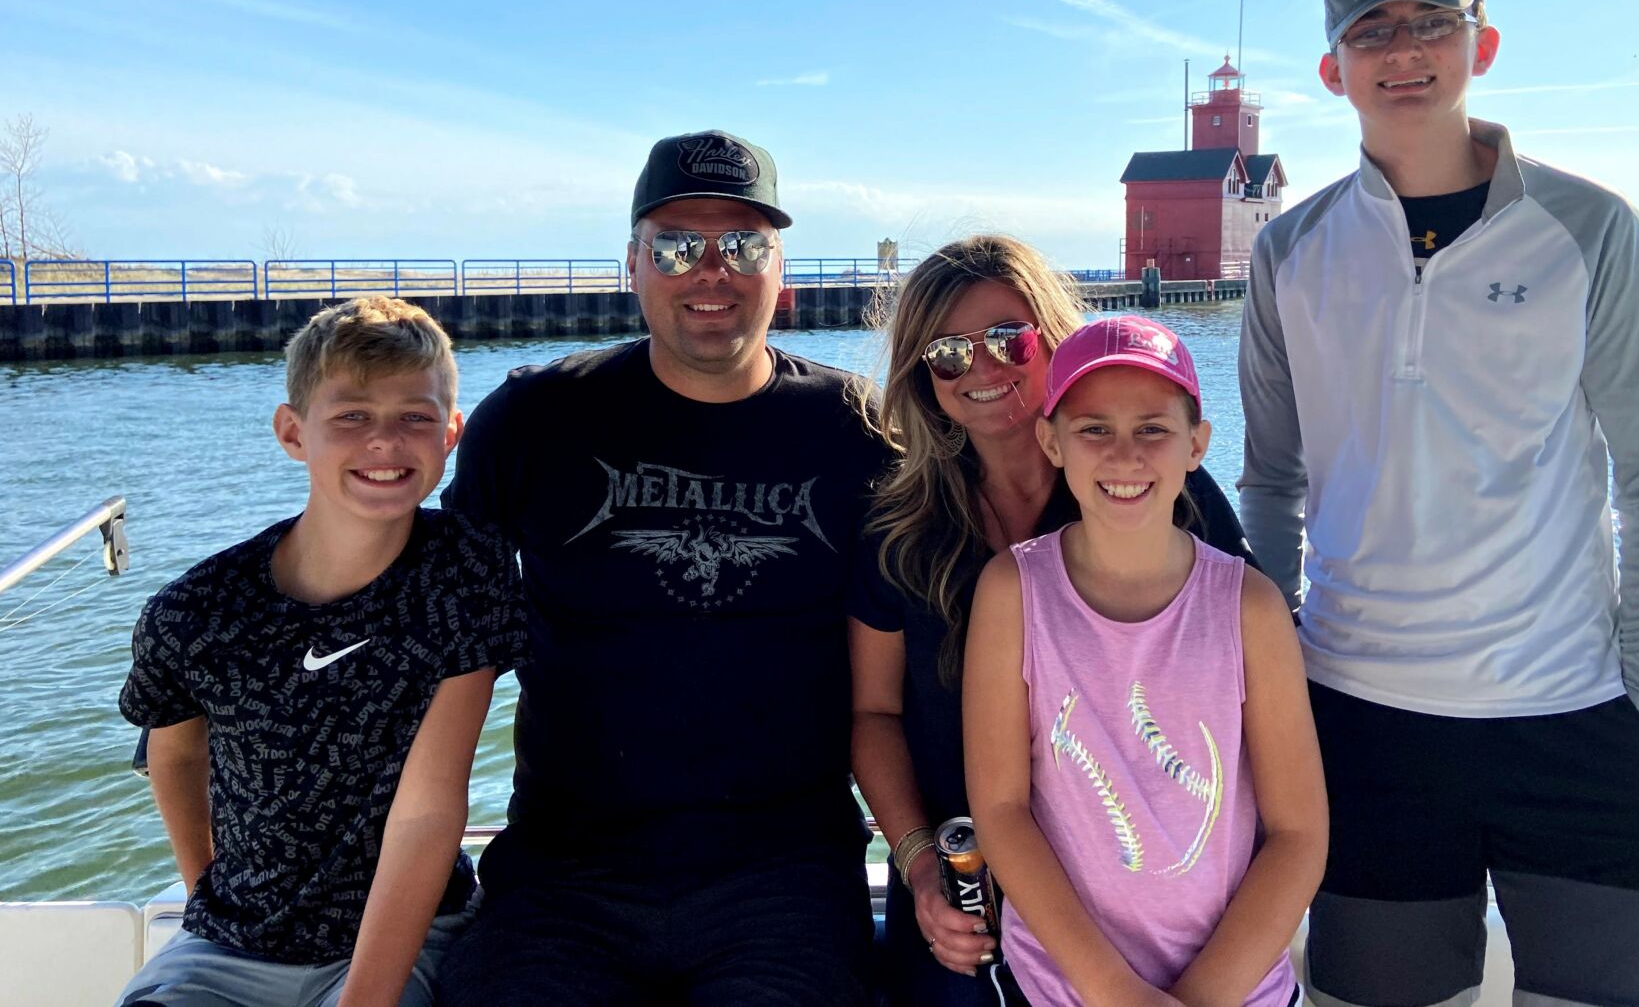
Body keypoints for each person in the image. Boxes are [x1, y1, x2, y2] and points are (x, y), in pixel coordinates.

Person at [1238, 0, 1639, 1007]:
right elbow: (1272, 482)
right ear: (1333, 71)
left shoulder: (1587, 229)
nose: (1402, 52)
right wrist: (1277, 686)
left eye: (1431, 25)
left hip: (1579, 717)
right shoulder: (1290, 251)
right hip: (1363, 722)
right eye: (1371, 33)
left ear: (1481, 45)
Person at [437, 130, 891, 1007]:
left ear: (780, 271)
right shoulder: (535, 420)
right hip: (564, 877)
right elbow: (435, 640)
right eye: (679, 246)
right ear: (634, 264)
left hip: (783, 879)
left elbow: (910, 660)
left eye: (744, 245)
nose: (710, 271)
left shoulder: (859, 432)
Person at [849, 236, 1258, 1005]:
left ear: (1053, 337)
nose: (983, 369)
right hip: (967, 898)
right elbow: (872, 711)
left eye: (1010, 338)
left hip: (1144, 893)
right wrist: (919, 863)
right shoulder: (898, 530)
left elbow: (1249, 687)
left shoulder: (1165, 492)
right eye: (947, 352)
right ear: (921, 373)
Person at [115, 296, 525, 1007]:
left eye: (415, 418)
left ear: (451, 433)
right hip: (229, 947)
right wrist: (203, 890)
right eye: (352, 418)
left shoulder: (466, 572)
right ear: (292, 432)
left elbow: (429, 809)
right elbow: (173, 751)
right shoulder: (195, 612)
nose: (385, 443)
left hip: (410, 930)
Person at [964, 315, 1325, 1007]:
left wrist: (1200, 998)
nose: (1124, 455)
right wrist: (1115, 993)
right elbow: (1003, 809)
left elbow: (1299, 832)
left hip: (1237, 990)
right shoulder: (1013, 593)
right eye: (1094, 428)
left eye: (1153, 429)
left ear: (1197, 444)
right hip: (1063, 988)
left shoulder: (1249, 608)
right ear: (1051, 442)